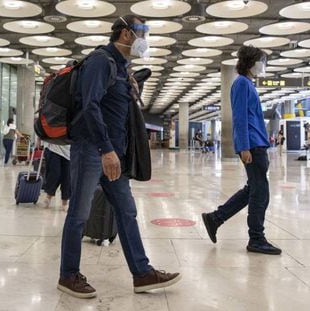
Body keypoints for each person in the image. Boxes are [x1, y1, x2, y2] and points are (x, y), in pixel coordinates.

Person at [58, 15, 181, 299]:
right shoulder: (101, 60)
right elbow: (90, 107)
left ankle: (142, 273)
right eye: (143, 34)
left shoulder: (122, 66)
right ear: (126, 34)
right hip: (93, 149)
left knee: (126, 211)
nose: (145, 41)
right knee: (79, 212)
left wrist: (131, 89)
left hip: (112, 152)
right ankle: (68, 275)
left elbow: (114, 108)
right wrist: (106, 149)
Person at [201, 46, 282, 255]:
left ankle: (215, 218)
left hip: (256, 143)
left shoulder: (247, 84)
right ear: (250, 62)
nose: (263, 65)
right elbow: (240, 117)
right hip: (252, 145)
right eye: (261, 60)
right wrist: (244, 146)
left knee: (253, 189)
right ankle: (256, 238)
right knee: (260, 192)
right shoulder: (242, 84)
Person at [42, 142, 71, 211]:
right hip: (54, 148)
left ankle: (65, 202)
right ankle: (48, 196)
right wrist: (39, 139)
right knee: (54, 174)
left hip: (69, 151)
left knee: (67, 177)